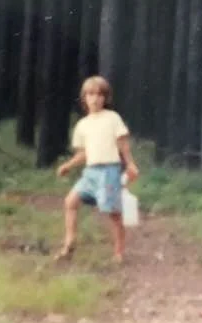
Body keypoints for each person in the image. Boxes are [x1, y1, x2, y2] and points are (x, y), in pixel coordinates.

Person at [55, 75, 140, 263]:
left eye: (100, 95)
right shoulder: (82, 125)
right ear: (84, 98)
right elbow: (83, 153)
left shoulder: (112, 118)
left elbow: (122, 142)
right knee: (70, 202)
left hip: (109, 171)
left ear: (105, 98)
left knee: (112, 213)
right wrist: (68, 166)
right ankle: (70, 241)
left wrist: (130, 163)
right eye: (91, 94)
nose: (95, 99)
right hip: (90, 173)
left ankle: (119, 252)